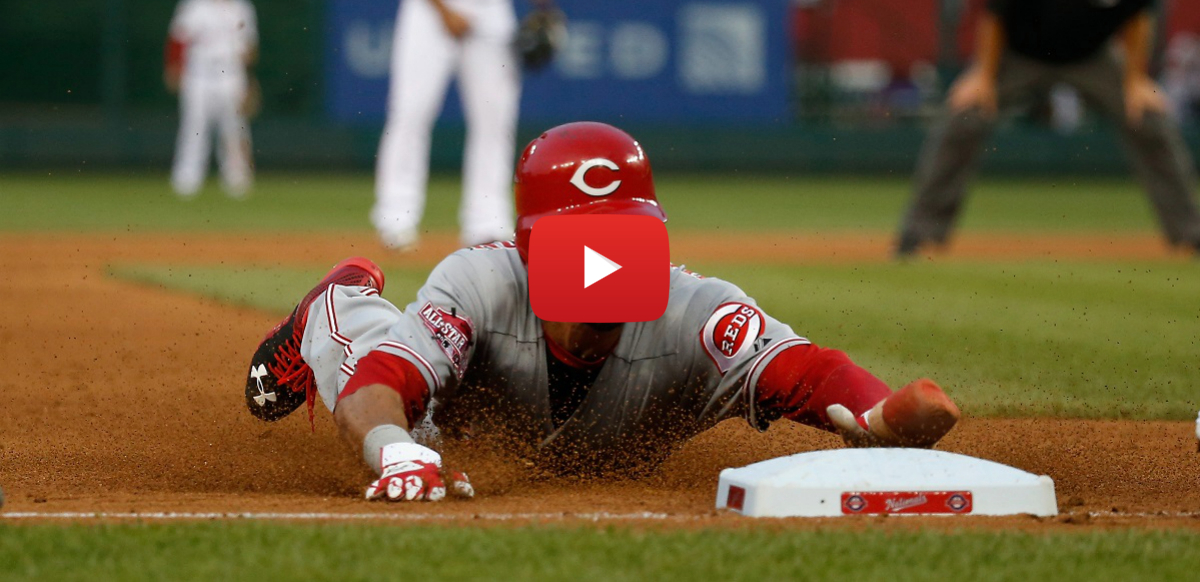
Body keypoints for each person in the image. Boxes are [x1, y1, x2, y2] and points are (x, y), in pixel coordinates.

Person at [244, 122, 961, 502]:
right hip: (436, 408)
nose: (605, 262)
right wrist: (396, 452)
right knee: (369, 377)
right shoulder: (482, 282)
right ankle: (336, 300)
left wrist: (878, 411)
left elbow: (804, 370)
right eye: (583, 242)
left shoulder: (694, 312)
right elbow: (383, 379)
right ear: (532, 249)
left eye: (624, 239)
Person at [896, 0, 1200, 258]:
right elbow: (994, 12)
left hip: (1091, 56)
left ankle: (1189, 231)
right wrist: (982, 75)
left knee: (1148, 118)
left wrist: (1135, 80)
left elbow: (1139, 16)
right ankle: (921, 232)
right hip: (1020, 52)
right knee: (965, 115)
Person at [373, 0, 555, 251]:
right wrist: (443, 10)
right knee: (410, 113)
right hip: (429, 5)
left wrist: (544, 4)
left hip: (493, 7)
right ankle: (395, 219)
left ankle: (487, 223)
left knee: (496, 122)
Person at [165, 0, 258, 199]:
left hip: (231, 73)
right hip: (199, 73)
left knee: (235, 128)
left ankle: (237, 179)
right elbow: (178, 40)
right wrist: (175, 67)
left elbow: (249, 48)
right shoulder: (193, 4)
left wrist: (248, 79)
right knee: (194, 127)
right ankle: (187, 179)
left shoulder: (242, 6)